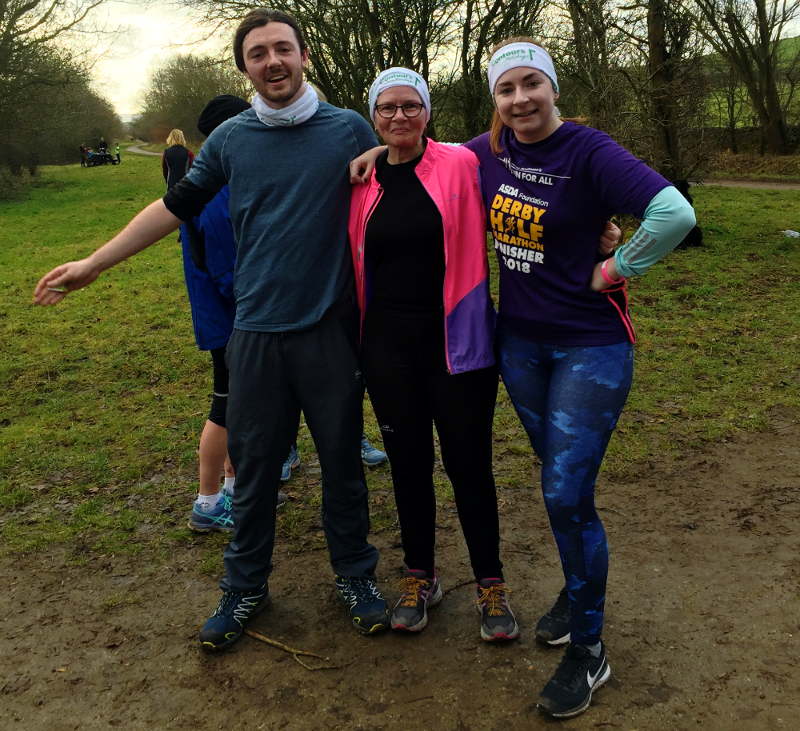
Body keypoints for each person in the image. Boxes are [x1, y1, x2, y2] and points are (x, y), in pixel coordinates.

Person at [34, 8, 388, 651]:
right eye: (259, 53)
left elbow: (431, 174)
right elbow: (172, 209)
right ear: (245, 67)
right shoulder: (230, 140)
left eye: (284, 48)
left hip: (328, 333)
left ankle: (356, 576)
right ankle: (245, 587)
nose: (273, 61)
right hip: (253, 333)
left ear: (305, 56)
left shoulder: (348, 129)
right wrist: (92, 263)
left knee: (342, 465)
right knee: (251, 471)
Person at [462, 38, 696, 718]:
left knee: (565, 492)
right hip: (519, 345)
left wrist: (617, 267)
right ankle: (577, 583)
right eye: (506, 90)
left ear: (552, 87)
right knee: (560, 481)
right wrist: (365, 155)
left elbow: (674, 213)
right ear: (496, 99)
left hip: (589, 346)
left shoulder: (589, 152)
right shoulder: (486, 152)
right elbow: (424, 164)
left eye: (532, 84)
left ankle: (589, 647)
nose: (520, 100)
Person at [349, 68, 516, 641]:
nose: (399, 116)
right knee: (409, 466)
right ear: (373, 116)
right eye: (387, 108)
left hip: (460, 344)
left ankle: (490, 583)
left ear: (427, 111)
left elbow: (531, 180)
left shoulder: (463, 163)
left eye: (410, 105)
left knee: (469, 465)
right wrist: (375, 153)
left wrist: (595, 229)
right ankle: (420, 574)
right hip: (387, 348)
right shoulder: (360, 181)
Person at [180, 94, 288, 533]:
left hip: (234, 316)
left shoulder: (222, 181)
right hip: (231, 320)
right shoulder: (217, 190)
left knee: (241, 406)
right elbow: (228, 269)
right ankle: (207, 503)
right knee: (225, 406)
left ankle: (235, 488)